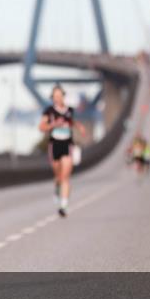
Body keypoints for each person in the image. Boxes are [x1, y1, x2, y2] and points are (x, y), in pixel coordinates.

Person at [38, 84, 86, 217]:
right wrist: (53, 124)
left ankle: (63, 206)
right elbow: (41, 127)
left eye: (59, 96)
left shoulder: (70, 110)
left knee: (66, 176)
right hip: (55, 144)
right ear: (52, 98)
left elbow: (72, 122)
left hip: (67, 144)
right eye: (55, 96)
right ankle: (57, 187)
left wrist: (80, 127)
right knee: (58, 175)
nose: (57, 98)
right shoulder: (49, 111)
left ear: (63, 96)